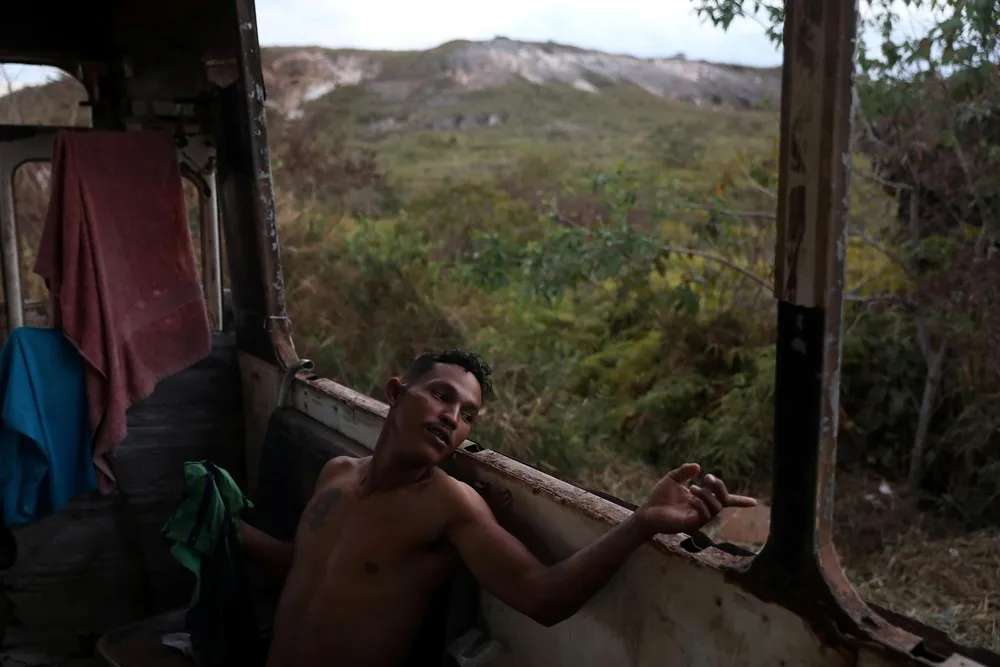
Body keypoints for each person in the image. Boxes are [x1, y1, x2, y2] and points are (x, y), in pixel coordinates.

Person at [240, 349, 757, 667]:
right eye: (441, 396)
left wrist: (641, 522)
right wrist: (229, 529)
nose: (452, 418)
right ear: (396, 394)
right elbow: (307, 566)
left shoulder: (446, 503)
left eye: (468, 415)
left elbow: (542, 597)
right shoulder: (336, 474)